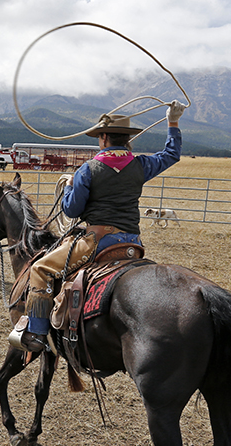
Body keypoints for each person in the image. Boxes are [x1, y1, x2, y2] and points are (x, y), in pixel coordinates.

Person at [10, 101, 185, 353]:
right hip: (132, 242)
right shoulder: (141, 165)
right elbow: (171, 155)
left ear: (103, 138)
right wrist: (173, 122)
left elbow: (71, 210)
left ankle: (37, 333)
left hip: (96, 242)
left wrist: (70, 185)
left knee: (41, 269)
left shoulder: (88, 170)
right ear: (126, 139)